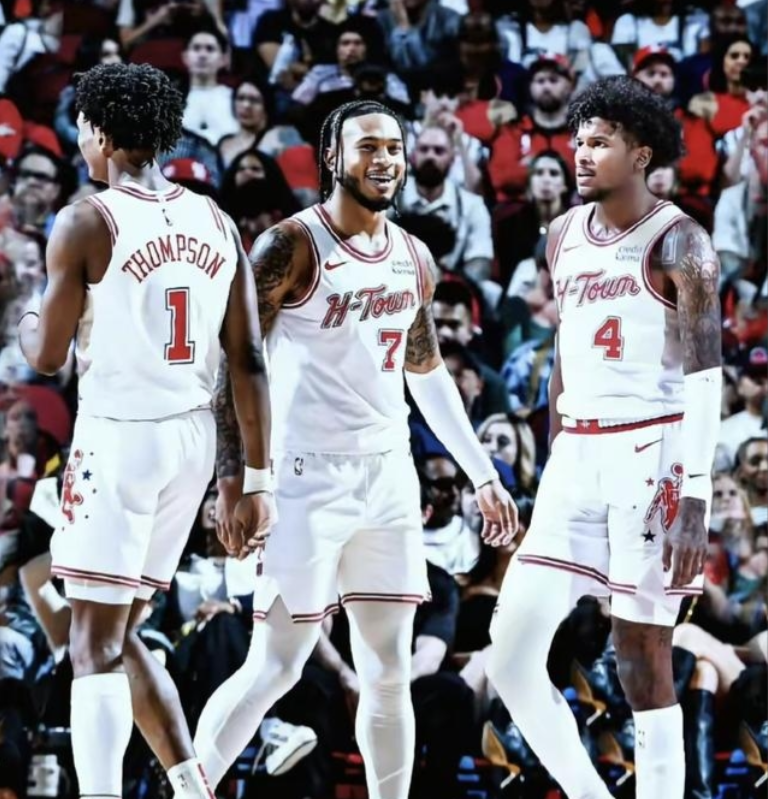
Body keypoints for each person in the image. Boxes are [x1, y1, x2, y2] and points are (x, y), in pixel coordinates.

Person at [194, 99, 518, 799]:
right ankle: (186, 789)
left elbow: (426, 371)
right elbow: (236, 363)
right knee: (275, 664)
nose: (385, 159)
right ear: (333, 159)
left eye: (394, 147)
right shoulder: (290, 245)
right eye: (368, 146)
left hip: (388, 476)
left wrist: (483, 474)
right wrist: (237, 478)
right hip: (303, 477)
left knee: (389, 672)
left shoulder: (413, 256)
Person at [17, 62, 274, 799]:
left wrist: (30, 308)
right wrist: (251, 479)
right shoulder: (216, 220)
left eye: (82, 130)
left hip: (120, 438)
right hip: (191, 442)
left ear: (99, 134)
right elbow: (248, 360)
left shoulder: (86, 219)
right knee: (119, 633)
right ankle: (191, 786)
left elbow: (45, 355)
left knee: (91, 642)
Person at [487, 76, 722, 799]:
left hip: (652, 454)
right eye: (579, 141)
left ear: (641, 154)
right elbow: (566, 356)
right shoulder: (561, 235)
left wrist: (695, 494)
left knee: (640, 657)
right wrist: (556, 450)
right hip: (576, 455)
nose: (582, 154)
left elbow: (705, 374)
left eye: (600, 143)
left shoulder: (681, 240)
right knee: (509, 654)